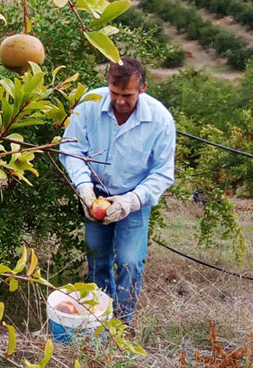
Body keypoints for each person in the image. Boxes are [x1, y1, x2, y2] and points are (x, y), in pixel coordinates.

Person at [59, 57, 175, 326]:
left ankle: (123, 322)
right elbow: (71, 148)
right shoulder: (89, 104)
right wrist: (85, 189)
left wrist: (131, 201)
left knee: (130, 262)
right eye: (114, 92)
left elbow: (162, 172)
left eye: (127, 95)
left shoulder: (160, 120)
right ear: (107, 84)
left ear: (142, 88)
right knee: (97, 259)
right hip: (96, 193)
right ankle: (100, 317)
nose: (120, 101)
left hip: (134, 198)